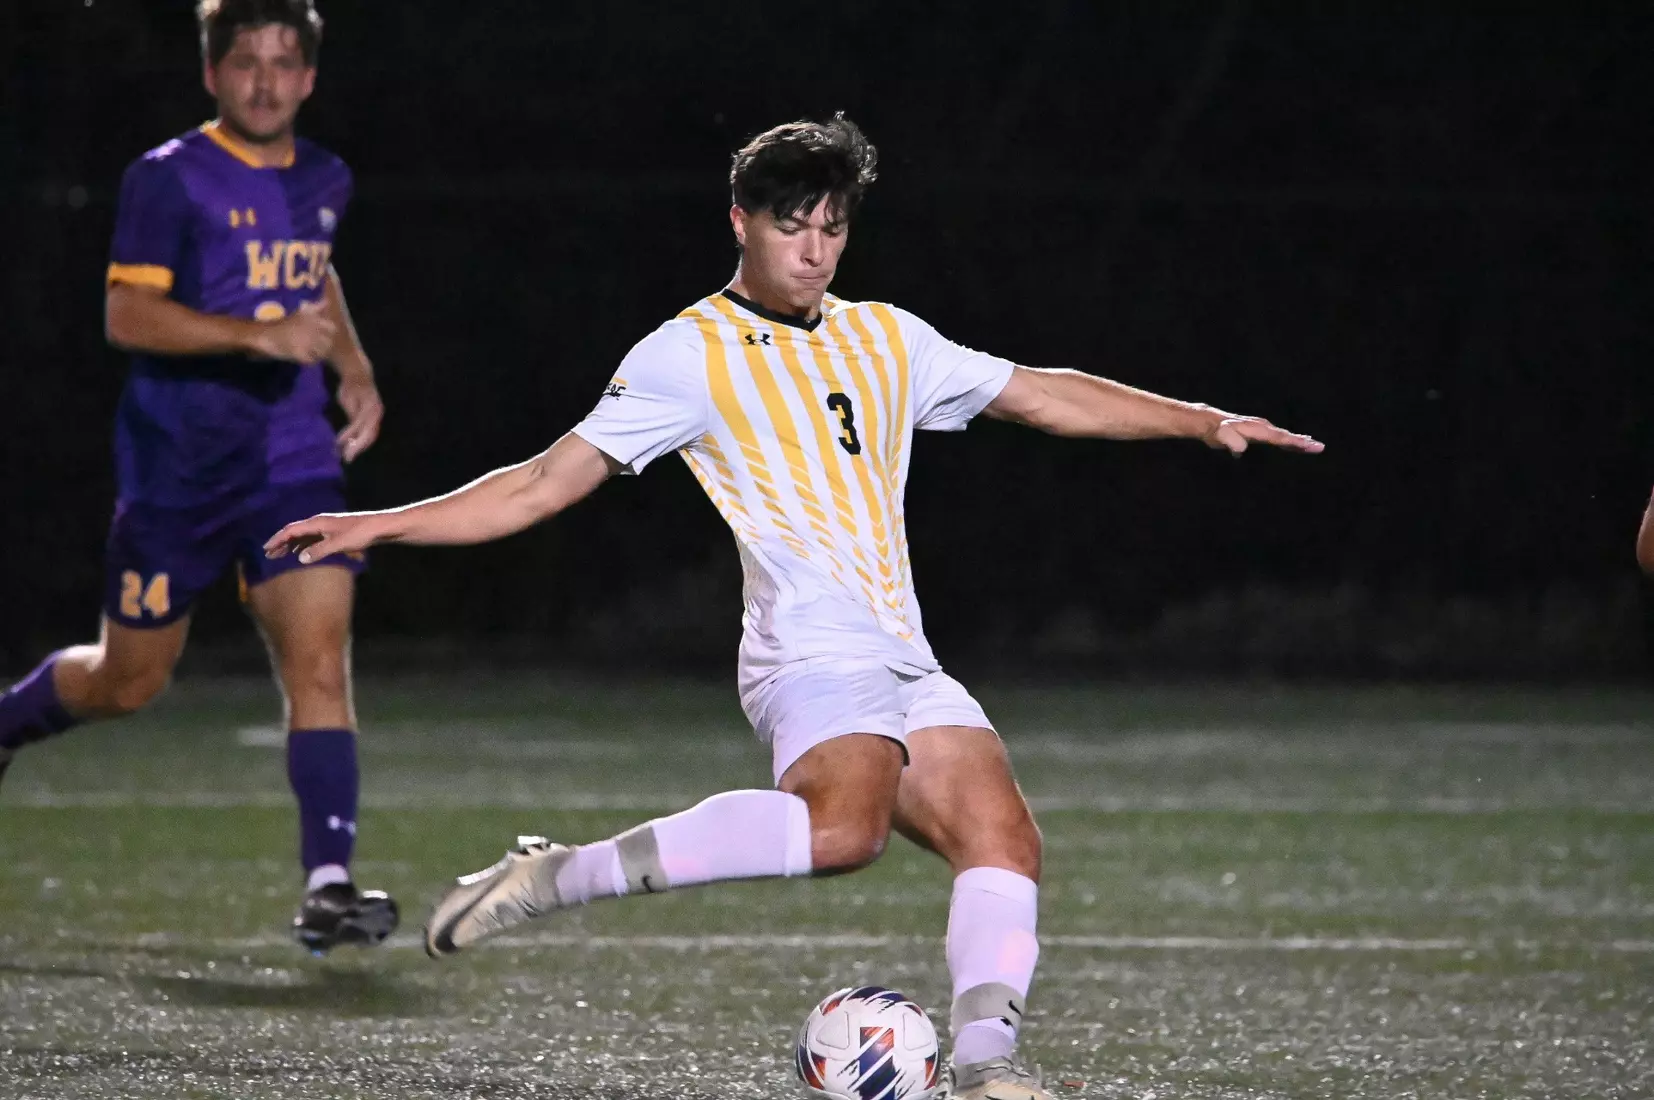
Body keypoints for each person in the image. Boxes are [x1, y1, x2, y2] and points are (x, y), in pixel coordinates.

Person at [266, 114, 1323, 1095]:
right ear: (740, 220)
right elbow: (544, 481)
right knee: (843, 832)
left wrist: (1200, 418)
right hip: (806, 652)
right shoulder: (686, 353)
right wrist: (378, 522)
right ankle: (559, 874)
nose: (813, 250)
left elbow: (1040, 391)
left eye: (831, 227)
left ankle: (989, 1066)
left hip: (901, 648)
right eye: (790, 225)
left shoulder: (886, 337)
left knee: (1002, 839)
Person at [0, 0, 397, 954]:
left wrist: (353, 365)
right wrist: (257, 335)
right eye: (245, 63)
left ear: (308, 77)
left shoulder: (327, 177)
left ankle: (331, 884)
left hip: (289, 463)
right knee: (129, 681)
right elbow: (130, 318)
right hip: (176, 469)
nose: (265, 81)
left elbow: (314, 274)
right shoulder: (168, 180)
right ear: (213, 75)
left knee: (318, 659)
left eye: (283, 62)